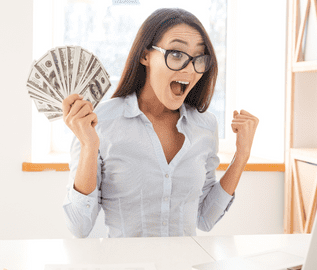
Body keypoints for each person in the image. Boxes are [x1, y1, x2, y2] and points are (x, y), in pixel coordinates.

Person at [62, 8, 258, 238]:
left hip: (185, 269)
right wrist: (88, 147)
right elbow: (79, 227)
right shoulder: (102, 123)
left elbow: (205, 218)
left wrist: (241, 156)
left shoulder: (205, 126)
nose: (189, 68)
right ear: (145, 56)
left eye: (199, 58)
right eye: (176, 54)